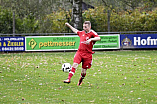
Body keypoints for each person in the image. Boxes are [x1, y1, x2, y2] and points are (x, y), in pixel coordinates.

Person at [64, 21, 101, 86]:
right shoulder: (82, 33)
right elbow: (75, 30)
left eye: (85, 27)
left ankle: (81, 80)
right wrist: (69, 26)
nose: (84, 28)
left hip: (88, 55)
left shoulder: (92, 33)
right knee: (75, 64)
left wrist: (91, 39)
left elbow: (99, 38)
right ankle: (68, 79)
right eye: (83, 27)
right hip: (80, 52)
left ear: (90, 27)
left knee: (83, 72)